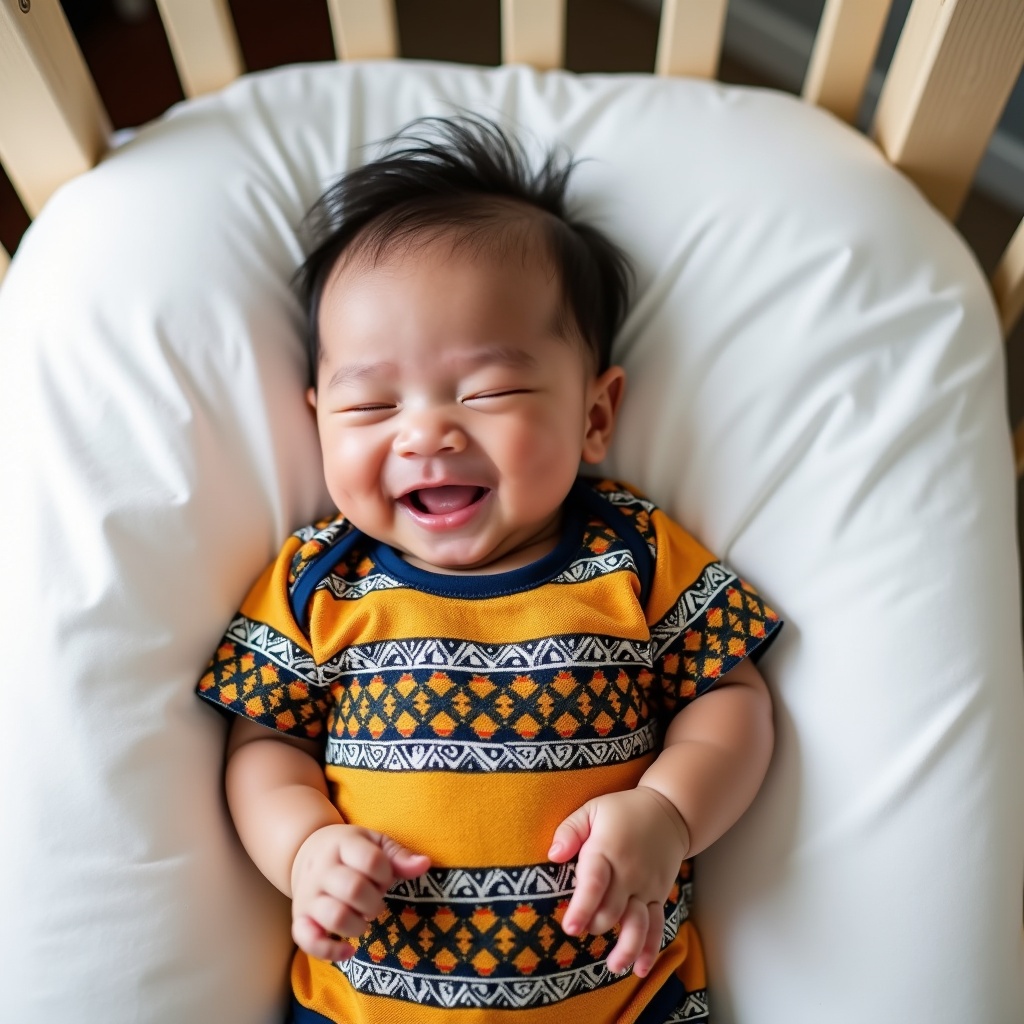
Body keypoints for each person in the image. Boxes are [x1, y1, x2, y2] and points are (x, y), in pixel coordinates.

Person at [196, 115, 781, 1024]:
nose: (426, 431)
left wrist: (668, 811)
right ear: (317, 422)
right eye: (372, 403)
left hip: (627, 1003)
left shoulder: (630, 551)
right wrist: (304, 848)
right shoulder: (320, 580)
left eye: (490, 390)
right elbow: (264, 747)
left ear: (596, 414)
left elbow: (731, 701)